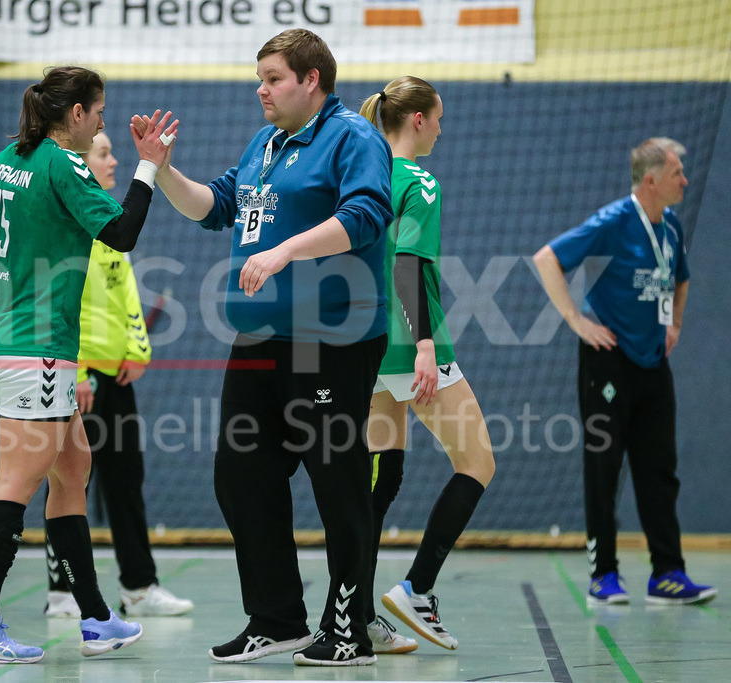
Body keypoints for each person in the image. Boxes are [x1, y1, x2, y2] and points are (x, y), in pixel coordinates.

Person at [137, 29, 392, 666]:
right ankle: (277, 618)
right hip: (259, 341)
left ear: (312, 80)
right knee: (240, 479)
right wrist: (163, 170)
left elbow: (365, 216)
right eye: (260, 78)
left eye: (274, 78)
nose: (262, 90)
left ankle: (350, 630)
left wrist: (282, 251)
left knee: (338, 485)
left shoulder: (353, 138)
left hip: (330, 339)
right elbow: (218, 206)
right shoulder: (266, 143)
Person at [0, 65, 178, 663]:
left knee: (73, 468)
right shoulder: (64, 164)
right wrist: (149, 165)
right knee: (15, 483)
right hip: (34, 350)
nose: (100, 123)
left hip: (15, 346)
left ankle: (94, 616)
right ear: (75, 114)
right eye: (97, 112)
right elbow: (120, 233)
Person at [533, 137, 717, 606]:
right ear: (651, 181)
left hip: (653, 362)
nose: (686, 181)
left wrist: (675, 321)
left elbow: (682, 276)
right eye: (678, 173)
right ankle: (604, 574)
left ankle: (668, 573)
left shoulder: (671, 225)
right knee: (604, 466)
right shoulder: (614, 222)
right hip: (608, 360)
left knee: (659, 469)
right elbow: (548, 259)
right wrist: (576, 321)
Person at [358, 76, 495, 651]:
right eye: (437, 117)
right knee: (478, 462)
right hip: (413, 345)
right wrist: (424, 347)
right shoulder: (419, 180)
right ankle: (416, 588)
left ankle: (357, 613)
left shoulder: (359, 174)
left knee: (381, 477)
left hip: (362, 344)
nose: (440, 127)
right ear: (415, 119)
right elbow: (410, 266)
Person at [42, 132, 194, 619]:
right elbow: (59, 304)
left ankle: (138, 585)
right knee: (68, 484)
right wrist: (79, 371)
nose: (112, 160)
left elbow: (125, 294)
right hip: (76, 379)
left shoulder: (110, 223)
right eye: (104, 153)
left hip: (116, 378)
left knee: (127, 479)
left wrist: (138, 348)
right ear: (81, 163)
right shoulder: (68, 221)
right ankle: (62, 591)